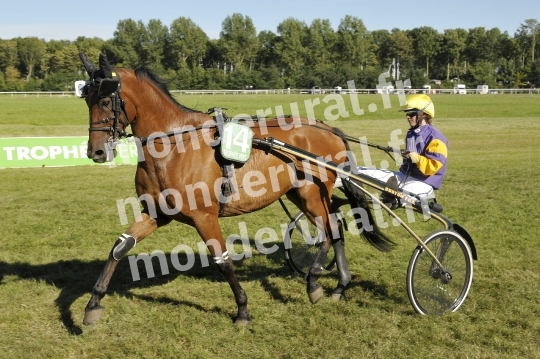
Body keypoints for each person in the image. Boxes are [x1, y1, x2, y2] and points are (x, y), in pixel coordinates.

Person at [338, 94, 448, 206]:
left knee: (397, 200)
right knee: (357, 171)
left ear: (423, 114)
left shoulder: (436, 138)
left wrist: (415, 157)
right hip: (403, 176)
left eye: (411, 114)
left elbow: (434, 166)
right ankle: (332, 179)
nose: (407, 117)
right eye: (407, 114)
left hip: (424, 183)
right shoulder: (411, 133)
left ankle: (392, 197)